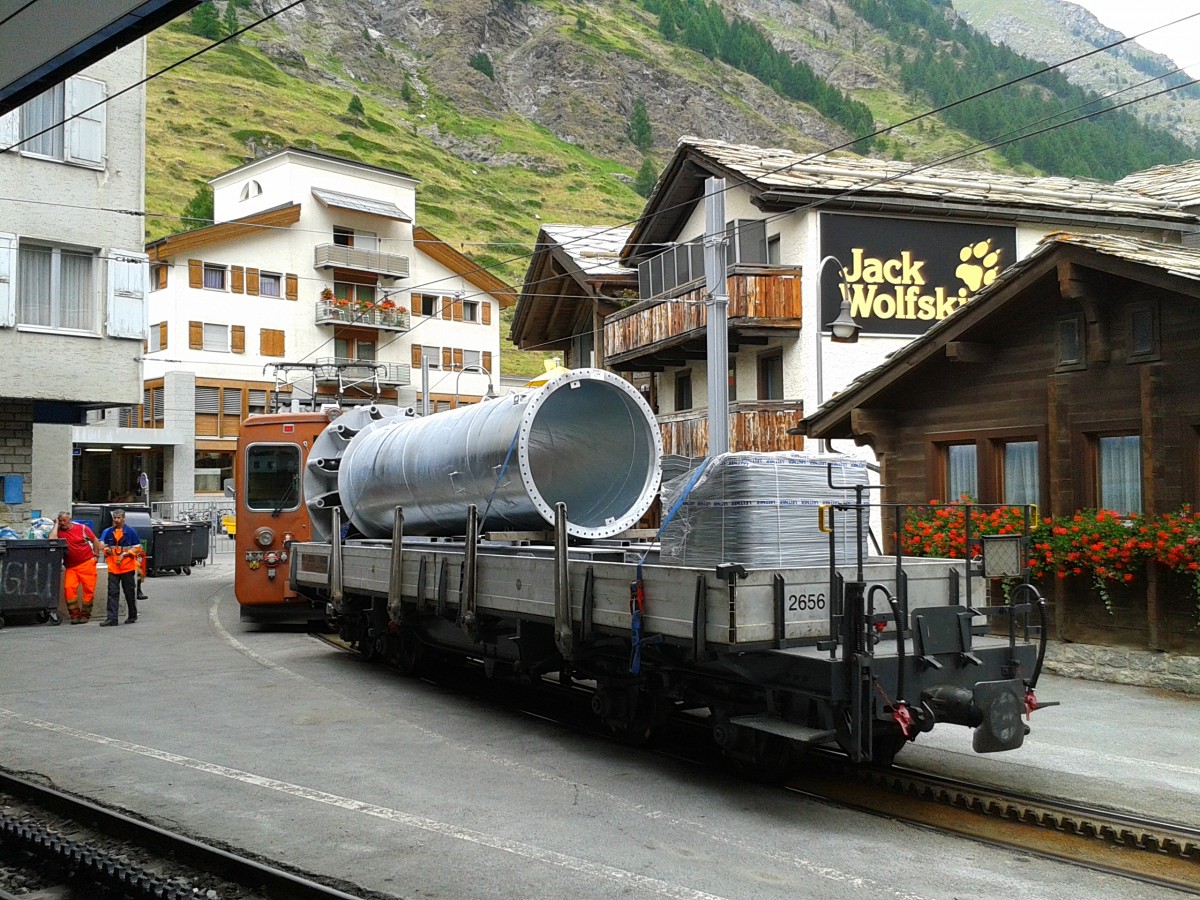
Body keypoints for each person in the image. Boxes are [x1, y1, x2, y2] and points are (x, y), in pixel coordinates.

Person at [48, 511, 102, 624]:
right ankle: (74, 615)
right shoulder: (58, 530)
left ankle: (85, 615)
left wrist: (96, 556)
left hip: (87, 563)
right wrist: (56, 524)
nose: (63, 523)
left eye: (64, 520)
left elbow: (95, 540)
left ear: (69, 519)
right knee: (69, 589)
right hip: (71, 566)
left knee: (89, 590)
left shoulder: (82, 528)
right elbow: (51, 539)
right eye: (60, 520)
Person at [98, 509, 143, 626]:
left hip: (127, 567)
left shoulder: (131, 532)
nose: (116, 520)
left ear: (124, 519)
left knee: (129, 592)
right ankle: (112, 619)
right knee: (112, 593)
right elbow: (105, 546)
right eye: (115, 518)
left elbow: (138, 547)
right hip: (113, 567)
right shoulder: (109, 532)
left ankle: (132, 615)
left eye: (119, 518)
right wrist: (106, 550)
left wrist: (124, 555)